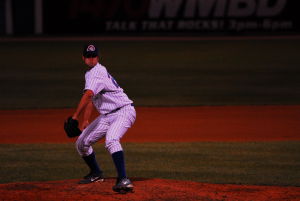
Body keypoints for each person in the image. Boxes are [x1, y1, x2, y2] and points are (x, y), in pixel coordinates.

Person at [71, 44, 136, 193]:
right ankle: (96, 173)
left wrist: (75, 116)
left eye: (94, 56)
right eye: (88, 56)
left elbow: (87, 95)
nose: (91, 59)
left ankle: (123, 179)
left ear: (98, 57)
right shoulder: (90, 74)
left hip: (123, 111)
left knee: (112, 139)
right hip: (107, 115)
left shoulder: (98, 71)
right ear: (83, 58)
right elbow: (91, 98)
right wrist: (85, 120)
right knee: (81, 143)